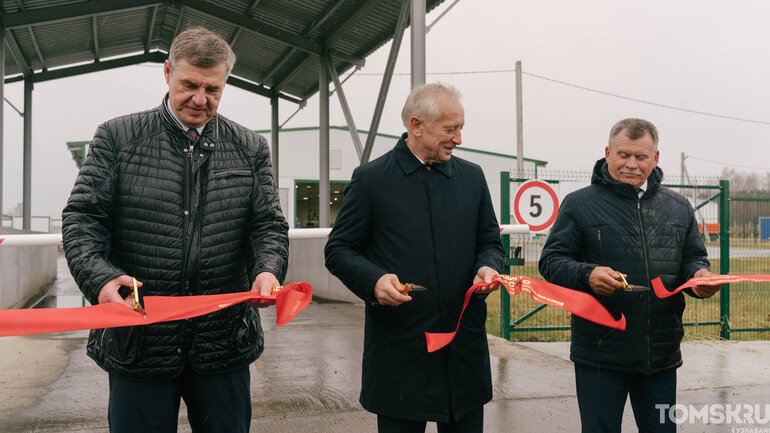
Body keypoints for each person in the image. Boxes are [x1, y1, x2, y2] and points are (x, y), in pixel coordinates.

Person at [61, 27, 289, 433]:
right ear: (168, 72)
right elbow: (83, 220)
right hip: (140, 342)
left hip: (222, 344)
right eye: (189, 85)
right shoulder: (118, 138)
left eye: (213, 89)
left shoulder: (251, 148)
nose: (201, 99)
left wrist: (267, 269)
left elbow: (266, 225)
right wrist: (101, 281)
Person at [324, 83, 504, 433]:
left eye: (461, 127)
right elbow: (339, 250)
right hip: (401, 354)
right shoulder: (371, 179)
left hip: (462, 351)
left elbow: (489, 242)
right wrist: (374, 280)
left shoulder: (472, 177)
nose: (459, 138)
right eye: (450, 129)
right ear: (416, 125)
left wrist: (488, 267)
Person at [538, 118, 721, 432]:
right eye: (623, 155)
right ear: (608, 153)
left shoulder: (678, 207)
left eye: (641, 156)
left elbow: (692, 259)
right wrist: (587, 275)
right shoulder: (580, 205)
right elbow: (551, 261)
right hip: (600, 354)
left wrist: (700, 277)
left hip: (660, 354)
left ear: (655, 158)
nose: (631, 164)